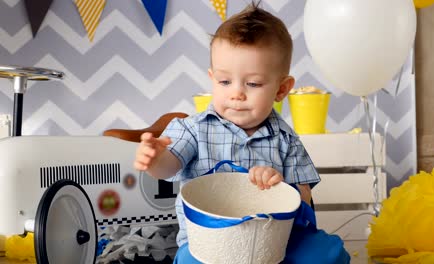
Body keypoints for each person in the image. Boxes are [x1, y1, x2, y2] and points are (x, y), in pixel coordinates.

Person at [134, 3, 349, 263]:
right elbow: (169, 166)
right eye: (225, 82)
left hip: (274, 245)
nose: (236, 93)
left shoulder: (285, 139)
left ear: (281, 89)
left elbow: (305, 199)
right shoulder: (193, 129)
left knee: (328, 252)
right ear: (213, 78)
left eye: (253, 83)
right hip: (210, 245)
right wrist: (156, 159)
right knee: (190, 260)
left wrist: (279, 187)